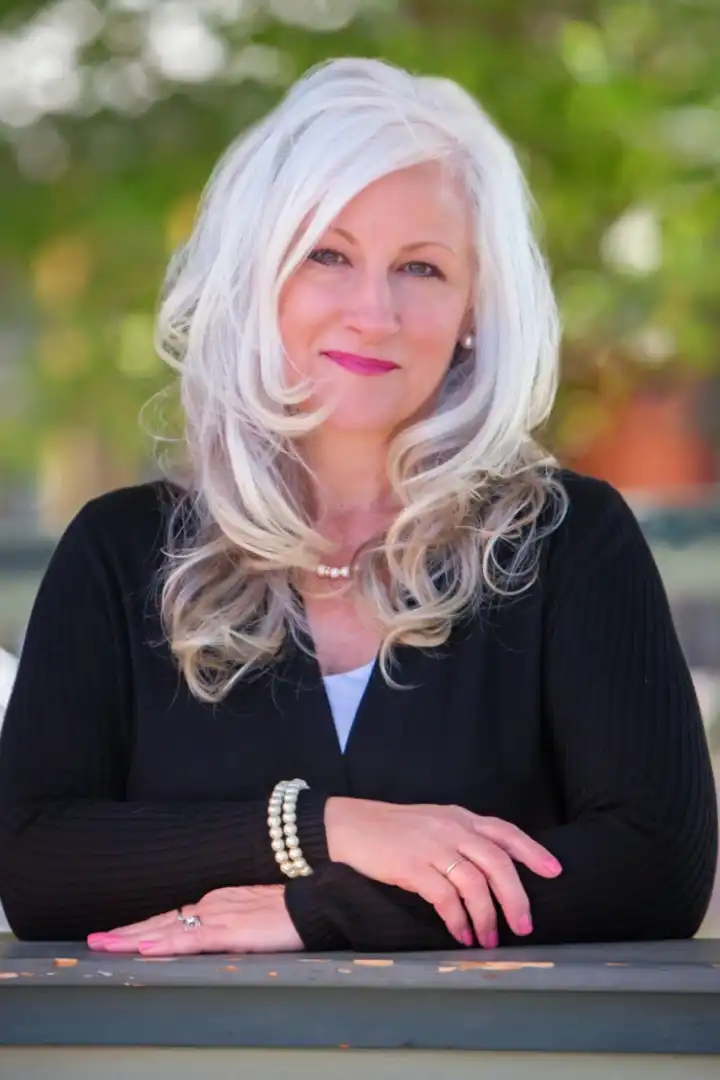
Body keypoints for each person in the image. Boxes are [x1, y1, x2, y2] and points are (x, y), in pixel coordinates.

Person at [0, 58, 716, 956]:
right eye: (328, 256)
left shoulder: (568, 541)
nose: (372, 311)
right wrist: (328, 828)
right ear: (260, 279)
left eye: (421, 267)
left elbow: (657, 863)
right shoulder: (120, 551)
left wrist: (320, 912)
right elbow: (34, 861)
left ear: (472, 310)